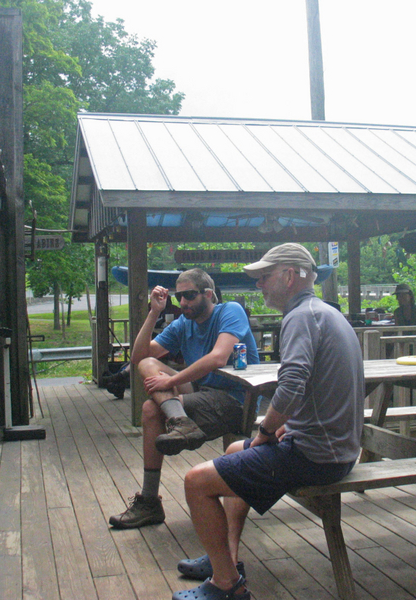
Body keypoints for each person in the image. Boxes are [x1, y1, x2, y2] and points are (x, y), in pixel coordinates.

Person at [171, 244, 365, 600]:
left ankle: (227, 586)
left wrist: (265, 431)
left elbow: (290, 385)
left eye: (263, 277)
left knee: (196, 482)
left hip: (317, 457)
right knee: (231, 449)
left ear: (289, 276)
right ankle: (225, 559)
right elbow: (321, 388)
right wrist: (288, 425)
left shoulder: (300, 317)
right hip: (341, 448)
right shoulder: (325, 312)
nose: (258, 285)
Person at [108, 268, 260, 530]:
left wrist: (171, 381)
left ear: (208, 294)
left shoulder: (229, 311)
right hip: (202, 393)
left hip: (235, 398)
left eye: (189, 295)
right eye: (179, 297)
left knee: (150, 409)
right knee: (145, 363)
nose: (184, 303)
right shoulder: (183, 324)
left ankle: (149, 501)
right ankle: (181, 422)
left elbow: (218, 358)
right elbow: (138, 357)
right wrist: (154, 312)